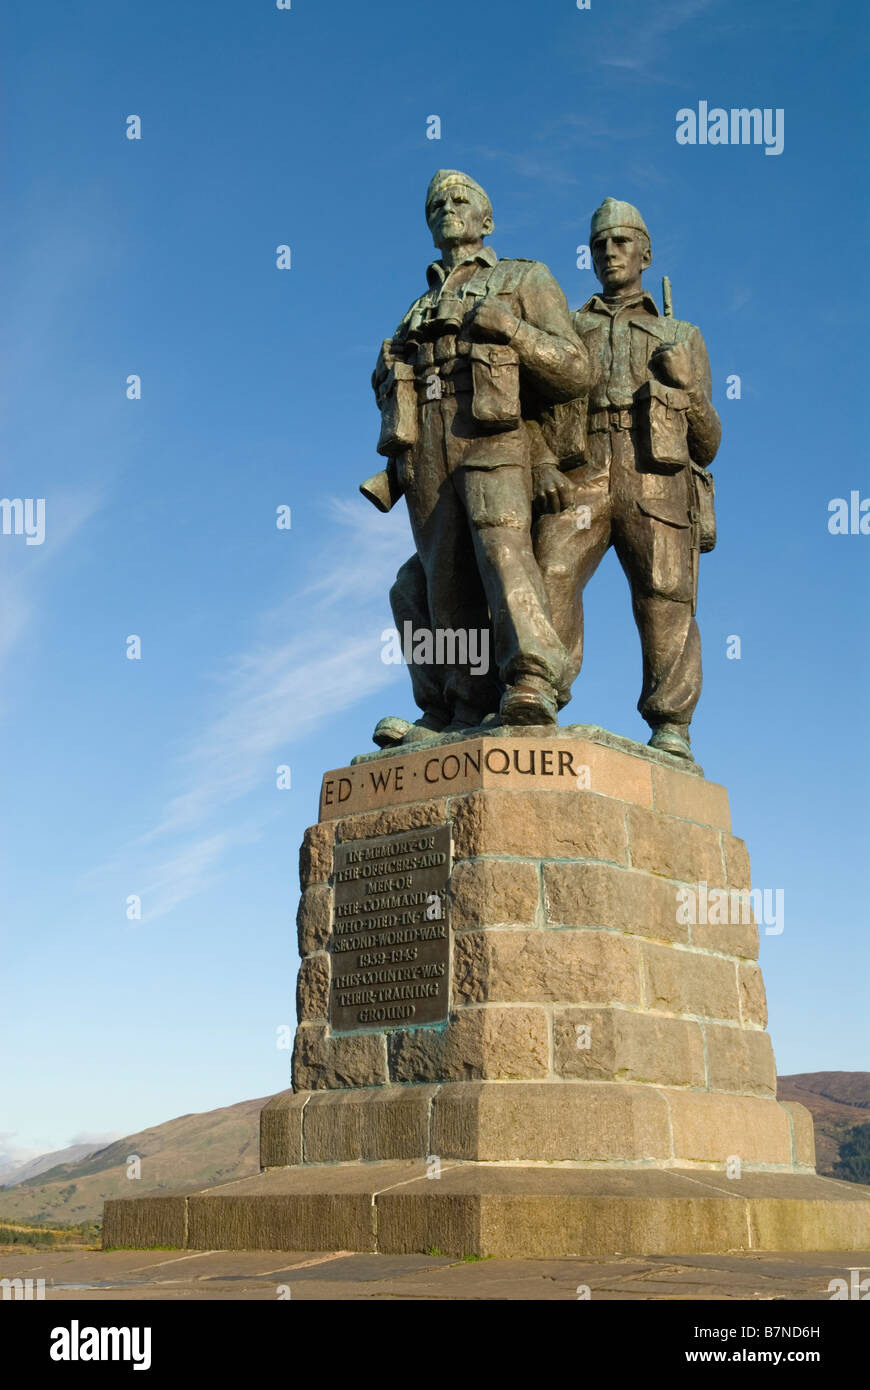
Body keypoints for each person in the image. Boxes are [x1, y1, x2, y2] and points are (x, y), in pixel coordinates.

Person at [369, 169, 595, 746]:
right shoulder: (415, 307)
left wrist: (514, 330)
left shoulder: (524, 277)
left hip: (492, 432)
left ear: (486, 220)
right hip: (426, 445)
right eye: (436, 203)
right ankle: (459, 707)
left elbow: (574, 369)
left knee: (502, 551)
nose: (448, 206)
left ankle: (529, 680)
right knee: (440, 578)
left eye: (461, 198)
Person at [533, 198, 721, 760]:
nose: (609, 252)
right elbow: (536, 408)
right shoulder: (567, 324)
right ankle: (539, 690)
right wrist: (543, 461)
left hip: (655, 476)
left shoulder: (680, 333)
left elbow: (709, 443)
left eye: (620, 242)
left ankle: (671, 728)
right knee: (551, 569)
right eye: (598, 245)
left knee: (665, 597)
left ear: (646, 252)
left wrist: (685, 387)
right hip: (583, 467)